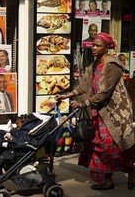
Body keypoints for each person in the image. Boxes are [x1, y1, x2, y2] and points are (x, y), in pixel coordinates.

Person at [55, 32, 135, 190]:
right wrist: (67, 95)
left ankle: (131, 170)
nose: (94, 48)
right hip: (99, 111)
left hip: (116, 112)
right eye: (93, 45)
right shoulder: (94, 65)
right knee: (100, 146)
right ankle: (108, 180)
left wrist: (83, 103)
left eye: (98, 45)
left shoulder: (113, 65)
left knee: (115, 146)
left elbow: (105, 92)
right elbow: (84, 86)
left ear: (107, 47)